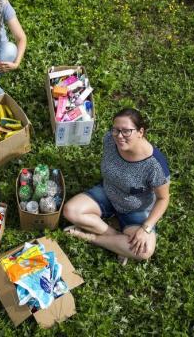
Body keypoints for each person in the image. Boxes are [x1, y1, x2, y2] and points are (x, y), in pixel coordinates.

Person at [63, 108, 170, 264]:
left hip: (135, 209)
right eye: (116, 130)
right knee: (70, 211)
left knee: (145, 250)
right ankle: (117, 239)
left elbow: (163, 198)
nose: (119, 136)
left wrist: (145, 228)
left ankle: (91, 237)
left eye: (126, 131)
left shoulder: (154, 166)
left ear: (140, 132)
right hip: (108, 192)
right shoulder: (110, 140)